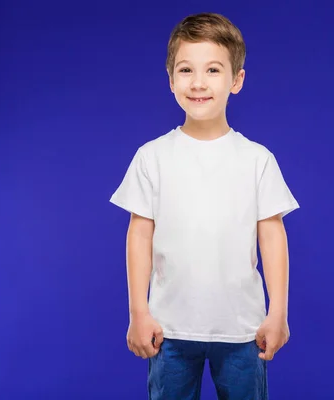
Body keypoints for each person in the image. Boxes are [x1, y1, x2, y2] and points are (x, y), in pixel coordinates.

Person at [110, 12, 299, 400]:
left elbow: (272, 236)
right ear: (171, 80)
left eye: (213, 70)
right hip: (171, 329)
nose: (198, 83)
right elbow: (139, 235)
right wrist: (138, 311)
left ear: (236, 80)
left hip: (242, 329)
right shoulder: (152, 157)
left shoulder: (257, 159)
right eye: (186, 70)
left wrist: (277, 311)